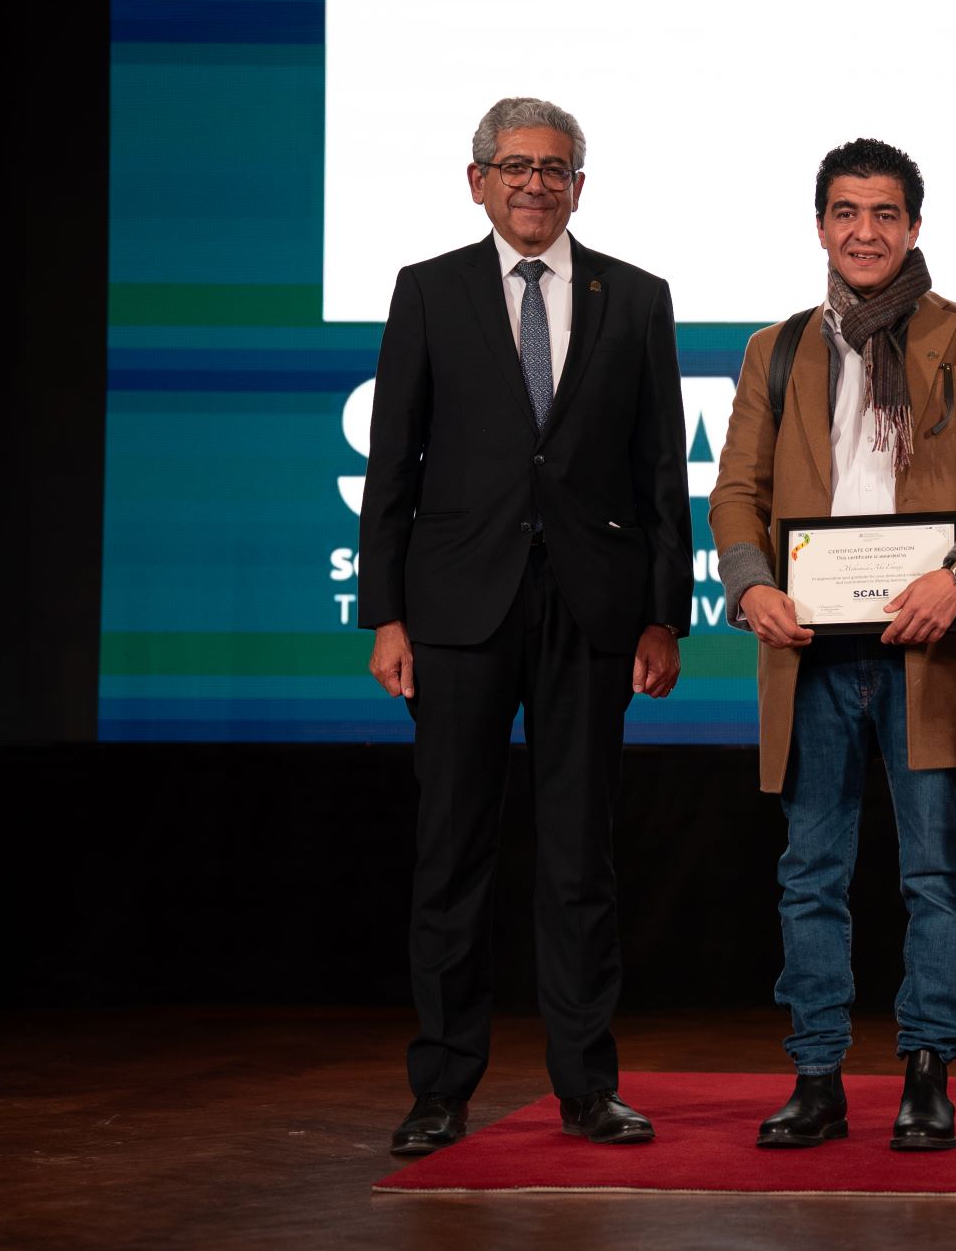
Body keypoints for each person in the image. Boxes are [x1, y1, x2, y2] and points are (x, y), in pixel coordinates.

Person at [358, 96, 692, 1156]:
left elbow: (657, 475)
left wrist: (662, 615)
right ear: (477, 181)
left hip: (591, 611)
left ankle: (587, 1085)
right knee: (450, 853)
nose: (533, 184)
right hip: (455, 610)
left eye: (553, 168)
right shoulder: (428, 292)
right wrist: (386, 614)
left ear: (578, 186)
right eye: (514, 167)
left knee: (579, 860)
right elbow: (392, 469)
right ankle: (443, 1086)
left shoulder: (635, 299)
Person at [708, 138, 956, 1151]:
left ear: (911, 226)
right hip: (808, 645)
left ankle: (926, 1070)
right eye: (846, 213)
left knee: (932, 868)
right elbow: (736, 492)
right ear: (820, 226)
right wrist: (749, 581)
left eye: (885, 214)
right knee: (808, 870)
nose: (865, 231)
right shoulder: (775, 350)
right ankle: (816, 1073)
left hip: (928, 645)